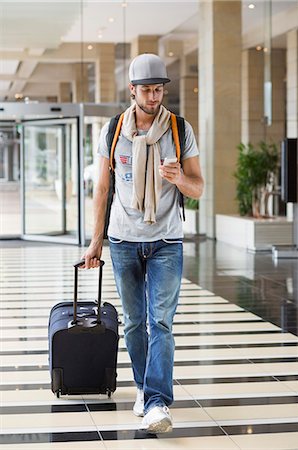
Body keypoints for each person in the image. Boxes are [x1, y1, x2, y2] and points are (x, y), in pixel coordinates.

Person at [82, 53, 204, 433]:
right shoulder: (113, 130)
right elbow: (102, 188)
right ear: (132, 90)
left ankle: (157, 402)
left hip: (167, 240)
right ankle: (141, 386)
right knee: (135, 323)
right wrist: (95, 241)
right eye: (147, 90)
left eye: (158, 89)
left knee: (161, 322)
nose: (154, 97)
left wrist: (179, 178)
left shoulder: (181, 130)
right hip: (122, 240)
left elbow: (198, 188)